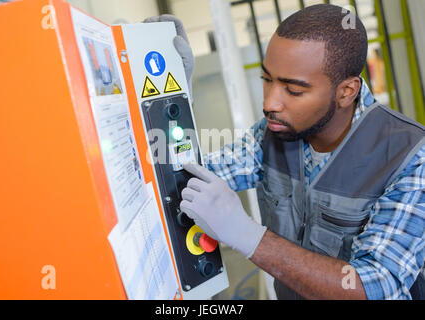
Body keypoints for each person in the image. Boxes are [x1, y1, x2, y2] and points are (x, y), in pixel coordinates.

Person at [145, 4, 424, 300]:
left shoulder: (410, 155)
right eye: (267, 80)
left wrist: (247, 236)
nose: (270, 104)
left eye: (293, 90)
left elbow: (375, 286)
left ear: (346, 92)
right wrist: (173, 102)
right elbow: (189, 176)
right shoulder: (274, 133)